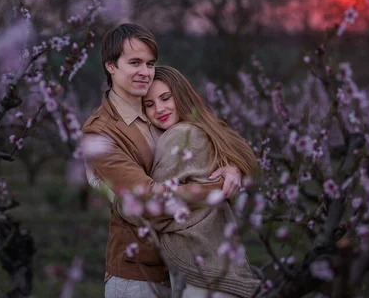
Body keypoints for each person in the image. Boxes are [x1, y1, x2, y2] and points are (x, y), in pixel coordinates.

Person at [82, 23, 243, 298]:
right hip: (138, 274)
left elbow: (223, 141)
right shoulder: (100, 132)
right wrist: (218, 189)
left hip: (189, 267)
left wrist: (232, 167)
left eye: (150, 63)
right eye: (134, 62)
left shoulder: (162, 110)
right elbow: (148, 197)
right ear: (111, 66)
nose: (145, 72)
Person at [139, 66, 261, 298]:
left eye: (166, 98)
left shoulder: (179, 135)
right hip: (223, 264)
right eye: (149, 104)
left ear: (181, 95)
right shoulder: (206, 129)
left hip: (199, 270)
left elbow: (154, 207)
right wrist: (234, 169)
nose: (160, 109)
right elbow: (249, 159)